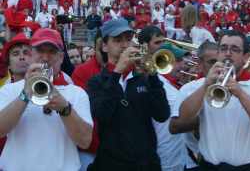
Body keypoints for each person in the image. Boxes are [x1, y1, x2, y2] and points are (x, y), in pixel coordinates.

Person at [171, 30, 250, 170]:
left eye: (235, 49)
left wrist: (239, 93)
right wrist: (206, 85)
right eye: (224, 48)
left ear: (246, 57)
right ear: (218, 53)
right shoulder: (199, 86)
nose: (228, 53)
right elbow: (182, 119)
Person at [0, 28, 94, 171]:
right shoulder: (9, 90)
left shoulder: (76, 93)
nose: (45, 57)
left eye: (51, 52)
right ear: (31, 55)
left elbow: (85, 141)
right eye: (39, 51)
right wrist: (25, 95)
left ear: (61, 57)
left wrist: (65, 108)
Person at [87, 19, 171, 170]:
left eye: (128, 39)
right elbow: (102, 114)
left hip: (146, 164)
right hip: (111, 165)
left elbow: (162, 114)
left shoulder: (143, 77)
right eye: (118, 40)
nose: (125, 45)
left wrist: (152, 74)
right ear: (104, 46)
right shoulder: (96, 81)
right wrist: (117, 72)